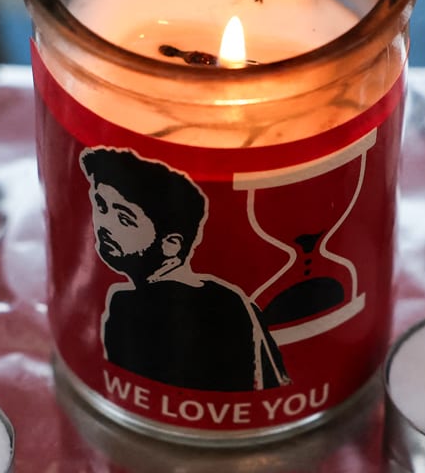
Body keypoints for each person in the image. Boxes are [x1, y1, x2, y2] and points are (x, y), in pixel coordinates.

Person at [83, 147, 284, 392]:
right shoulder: (236, 301)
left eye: (125, 219)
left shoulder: (130, 304)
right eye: (101, 206)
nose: (104, 225)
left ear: (171, 245)